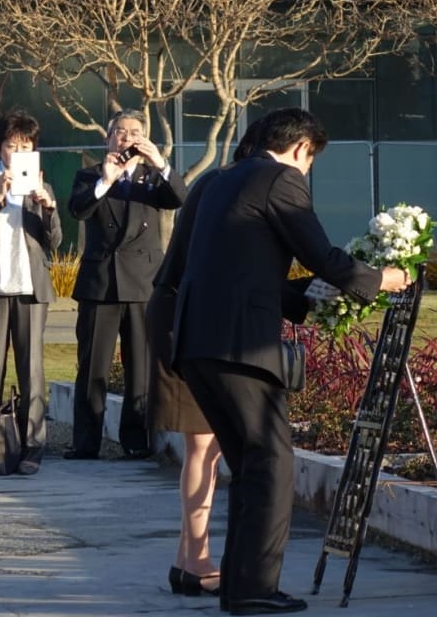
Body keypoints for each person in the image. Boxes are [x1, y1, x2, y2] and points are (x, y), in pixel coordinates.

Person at [173, 107, 409, 615]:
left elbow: (245, 272)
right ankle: (255, 589)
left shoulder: (220, 181)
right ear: (301, 148)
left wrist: (312, 300)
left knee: (251, 465)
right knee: (273, 463)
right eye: (312, 162)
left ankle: (240, 589)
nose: (308, 173)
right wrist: (380, 280)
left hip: (198, 342)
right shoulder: (280, 178)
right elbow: (321, 252)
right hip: (241, 346)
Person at [148, 119, 271, 598]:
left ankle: (188, 558)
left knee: (206, 446)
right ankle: (195, 558)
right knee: (204, 446)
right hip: (187, 315)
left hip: (175, 308)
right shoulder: (229, 189)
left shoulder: (212, 184)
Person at [66, 109, 187, 459]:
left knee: (141, 367)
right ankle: (85, 443)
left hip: (142, 283)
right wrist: (106, 180)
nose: (127, 137)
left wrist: (160, 162)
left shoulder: (152, 179)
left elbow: (178, 197)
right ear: (108, 137)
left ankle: (135, 440)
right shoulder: (89, 175)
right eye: (120, 131)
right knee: (92, 366)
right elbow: (78, 210)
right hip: (100, 282)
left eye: (135, 131)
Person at [0, 109, 62, 476]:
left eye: (25, 145)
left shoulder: (42, 188)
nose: (17, 150)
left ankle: (32, 449)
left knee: (31, 371)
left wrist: (48, 207)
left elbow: (54, 241)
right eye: (11, 144)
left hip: (31, 290)